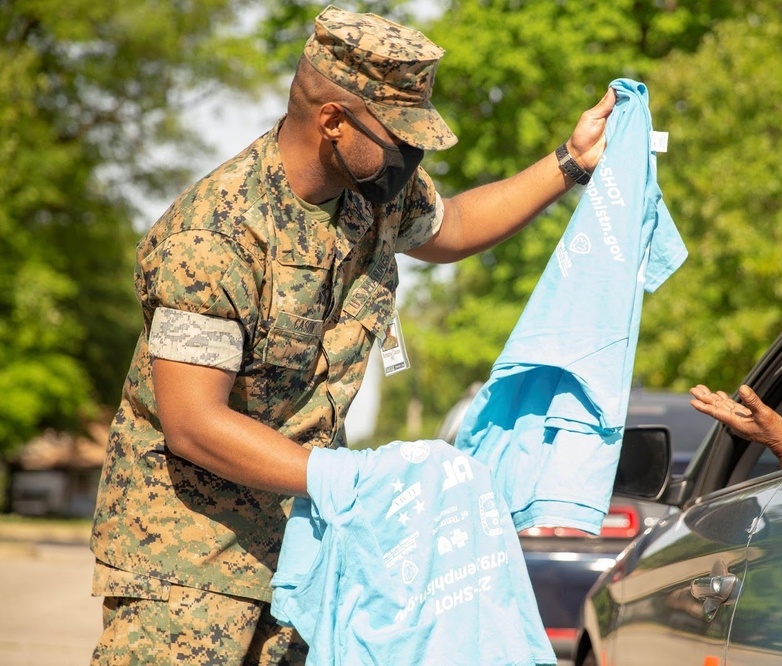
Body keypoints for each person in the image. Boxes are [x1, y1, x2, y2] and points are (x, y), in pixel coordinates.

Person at [89, 6, 615, 664]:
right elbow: (192, 421)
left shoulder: (371, 191)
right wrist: (349, 479)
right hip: (187, 566)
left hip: (305, 555)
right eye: (400, 137)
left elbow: (451, 227)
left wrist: (570, 162)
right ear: (333, 122)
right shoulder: (217, 231)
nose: (413, 155)